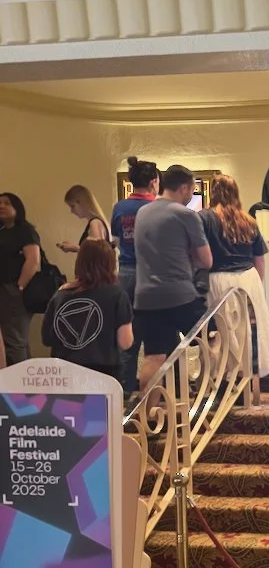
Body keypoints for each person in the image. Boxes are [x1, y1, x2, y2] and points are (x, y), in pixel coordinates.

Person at [133, 164, 212, 392]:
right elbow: (206, 261)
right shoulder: (186, 214)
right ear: (185, 187)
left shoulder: (143, 212)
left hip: (146, 295)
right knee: (213, 336)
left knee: (154, 356)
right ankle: (208, 391)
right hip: (179, 294)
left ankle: (148, 414)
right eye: (192, 190)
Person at [200, 174, 269, 375]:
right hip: (247, 278)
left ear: (213, 192)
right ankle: (247, 374)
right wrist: (257, 286)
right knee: (248, 331)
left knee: (222, 331)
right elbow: (259, 259)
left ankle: (223, 377)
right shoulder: (248, 221)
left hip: (217, 278)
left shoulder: (205, 218)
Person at [41, 240, 133, 381]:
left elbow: (47, 338)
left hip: (63, 375)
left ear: (79, 263)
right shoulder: (117, 295)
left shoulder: (60, 295)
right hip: (104, 375)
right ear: (110, 263)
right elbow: (125, 342)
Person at [112, 157, 159, 394]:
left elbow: (118, 241)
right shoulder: (156, 207)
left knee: (126, 332)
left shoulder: (120, 208)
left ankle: (124, 391)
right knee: (157, 335)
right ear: (154, 182)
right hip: (152, 275)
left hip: (126, 273)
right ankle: (154, 393)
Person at [0, 192, 40, 366]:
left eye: (7, 203)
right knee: (13, 340)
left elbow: (33, 261)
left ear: (17, 208)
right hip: (4, 290)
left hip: (14, 291)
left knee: (14, 341)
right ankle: (25, 383)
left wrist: (19, 287)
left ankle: (19, 390)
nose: (1, 206)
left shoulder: (24, 230)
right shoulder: (2, 231)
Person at [57, 186, 110, 256]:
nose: (72, 211)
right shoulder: (95, 222)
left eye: (73, 206)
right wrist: (74, 248)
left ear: (82, 202)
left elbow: (97, 253)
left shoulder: (95, 223)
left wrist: (75, 247)